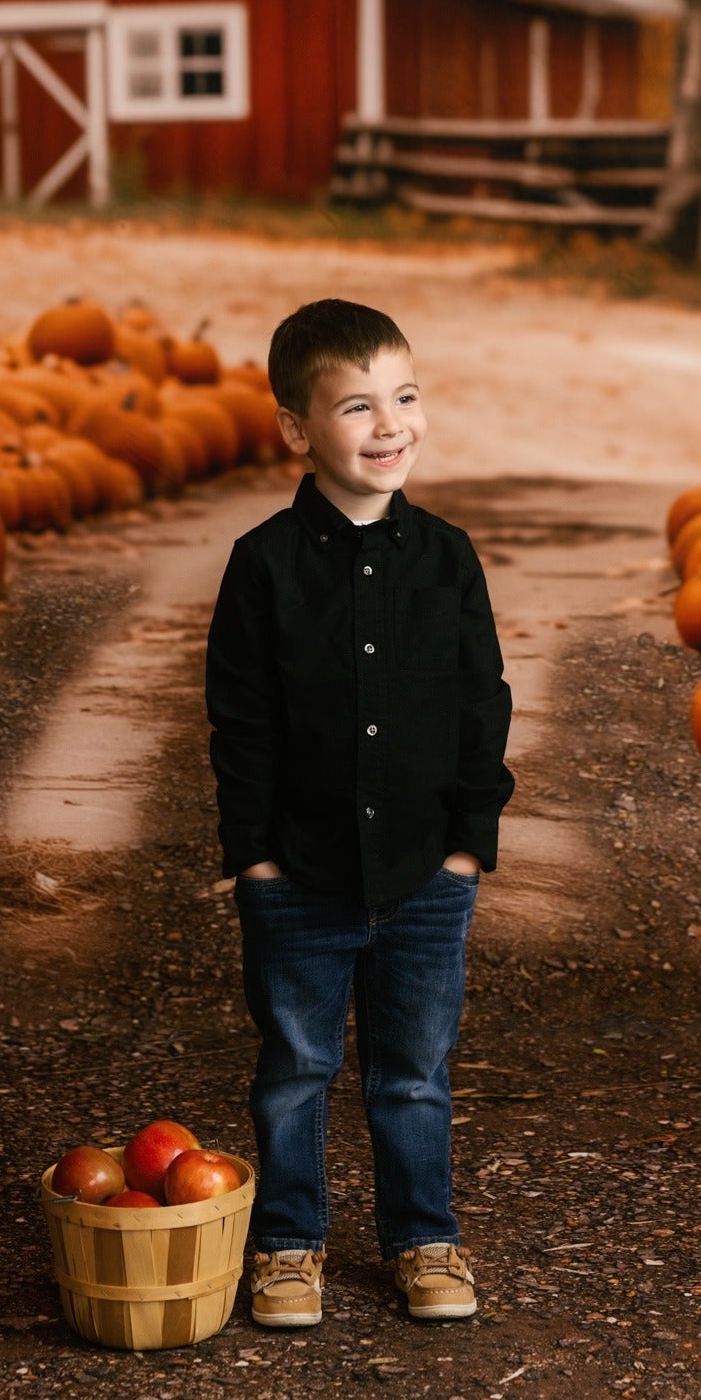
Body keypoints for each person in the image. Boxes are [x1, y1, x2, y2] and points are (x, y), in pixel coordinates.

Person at [205, 297, 515, 1328]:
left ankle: (423, 1235)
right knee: (295, 1069)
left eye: (405, 395)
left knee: (414, 1073)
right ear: (296, 428)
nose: (391, 424)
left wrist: (473, 842)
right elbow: (241, 719)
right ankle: (289, 1243)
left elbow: (482, 704)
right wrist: (251, 857)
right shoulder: (263, 564)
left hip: (428, 872)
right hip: (297, 874)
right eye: (356, 404)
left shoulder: (447, 557)